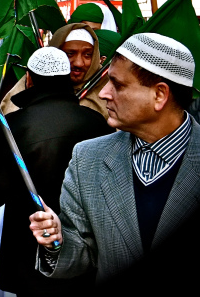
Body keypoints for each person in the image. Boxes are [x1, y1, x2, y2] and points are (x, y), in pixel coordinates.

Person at [29, 33, 200, 294]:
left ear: (159, 95)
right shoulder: (89, 158)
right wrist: (56, 241)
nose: (104, 93)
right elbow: (83, 252)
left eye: (118, 85)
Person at [0, 47, 113, 296]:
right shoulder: (97, 122)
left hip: (29, 257)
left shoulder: (15, 126)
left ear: (29, 79)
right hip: (85, 257)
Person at [1, 23, 107, 118]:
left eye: (87, 55)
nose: (78, 63)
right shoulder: (30, 82)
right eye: (70, 54)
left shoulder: (105, 87)